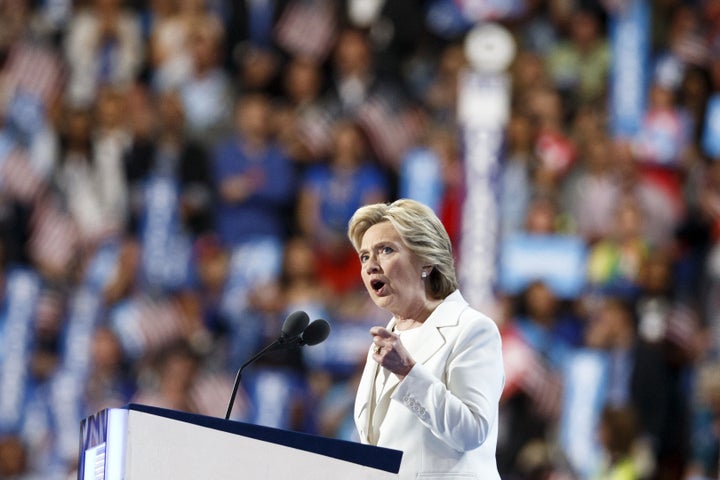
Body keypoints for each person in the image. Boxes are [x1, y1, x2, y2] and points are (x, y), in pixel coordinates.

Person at [346, 198, 505, 479]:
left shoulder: (472, 330)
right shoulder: (385, 340)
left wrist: (408, 372)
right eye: (364, 256)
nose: (371, 265)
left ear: (427, 260)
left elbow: (471, 431)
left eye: (385, 250)